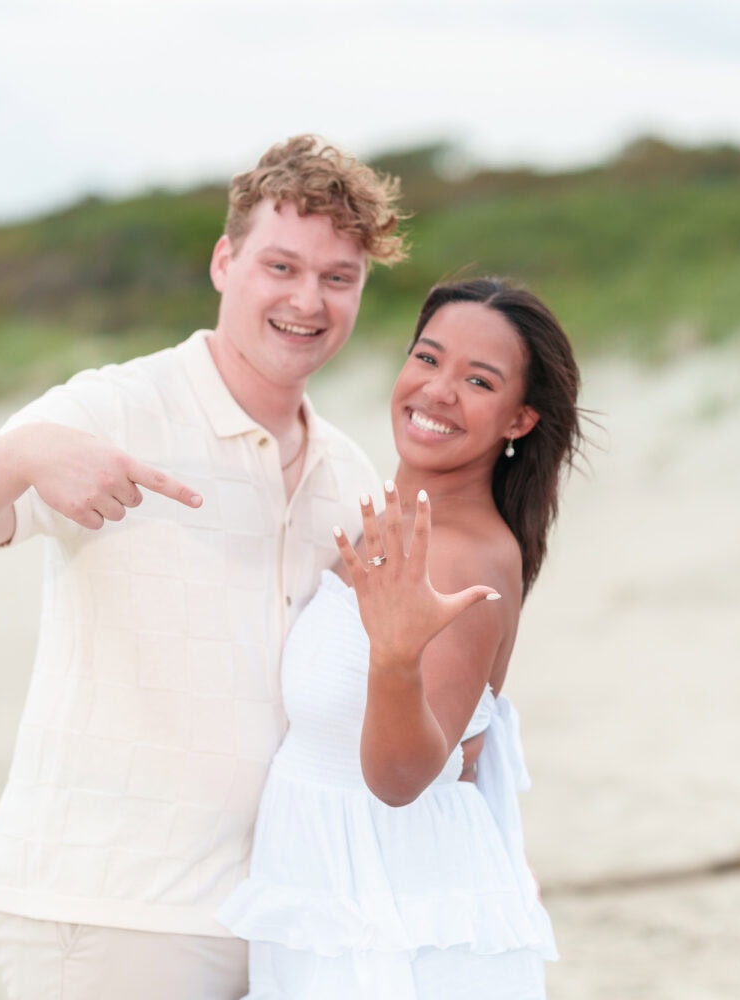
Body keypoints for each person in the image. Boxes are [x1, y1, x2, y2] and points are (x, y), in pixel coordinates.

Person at [0, 135, 406, 999]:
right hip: (111, 907)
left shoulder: (350, 473)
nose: (307, 300)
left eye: (338, 277)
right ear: (224, 261)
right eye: (280, 266)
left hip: (276, 914)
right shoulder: (114, 409)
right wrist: (25, 453)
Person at [217, 277, 584, 998]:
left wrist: (393, 659)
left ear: (519, 420)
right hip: (329, 895)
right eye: (427, 358)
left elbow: (399, 779)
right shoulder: (389, 522)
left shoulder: (465, 554)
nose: (438, 390)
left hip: (397, 916)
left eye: (479, 380)